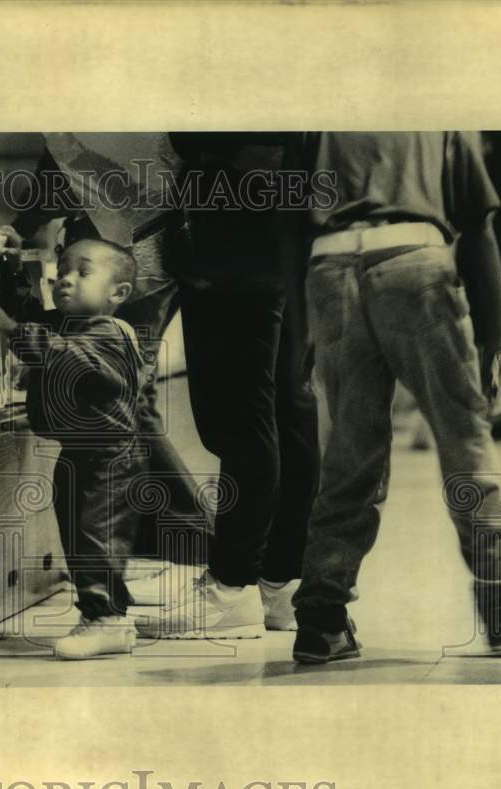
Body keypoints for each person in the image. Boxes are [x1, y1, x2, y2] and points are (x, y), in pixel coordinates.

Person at [291, 131, 501, 663]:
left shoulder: (322, 123)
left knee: (350, 455)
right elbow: (480, 231)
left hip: (329, 271)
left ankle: (320, 619)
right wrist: (496, 339)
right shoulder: (440, 119)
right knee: (464, 439)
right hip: (415, 263)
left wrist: (306, 326)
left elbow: (289, 224)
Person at [135, 133, 321, 638]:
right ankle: (279, 584)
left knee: (244, 422)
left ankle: (231, 589)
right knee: (287, 410)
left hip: (235, 234)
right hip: (285, 226)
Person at [6, 137, 211, 568]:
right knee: (133, 401)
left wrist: (25, 225)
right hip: (149, 244)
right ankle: (193, 544)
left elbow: (75, 152)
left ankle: (205, 543)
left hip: (125, 248)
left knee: (128, 402)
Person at [0, 238, 144, 660]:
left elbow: (74, 361)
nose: (65, 279)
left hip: (111, 456)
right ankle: (104, 615)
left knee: (95, 538)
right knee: (81, 537)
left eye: (82, 273)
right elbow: (30, 316)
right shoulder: (74, 325)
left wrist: (12, 332)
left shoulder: (109, 333)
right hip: (84, 452)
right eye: (61, 271)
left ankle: (107, 621)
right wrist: (12, 267)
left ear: (117, 294)